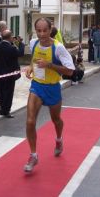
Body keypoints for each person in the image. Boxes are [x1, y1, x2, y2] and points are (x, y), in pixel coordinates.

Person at [23, 18, 75, 173]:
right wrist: (30, 67)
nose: (42, 34)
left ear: (50, 29)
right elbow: (34, 61)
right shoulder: (33, 43)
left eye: (44, 30)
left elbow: (71, 71)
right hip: (37, 86)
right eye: (38, 30)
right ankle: (33, 155)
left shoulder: (59, 48)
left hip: (52, 88)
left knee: (56, 120)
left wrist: (50, 65)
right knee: (30, 121)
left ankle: (59, 139)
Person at [0, 30, 25, 118]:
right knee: (8, 93)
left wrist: (12, 42)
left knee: (2, 91)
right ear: (9, 38)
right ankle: (6, 111)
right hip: (10, 74)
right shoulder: (11, 48)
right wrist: (21, 43)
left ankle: (2, 109)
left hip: (0, 72)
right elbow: (20, 53)